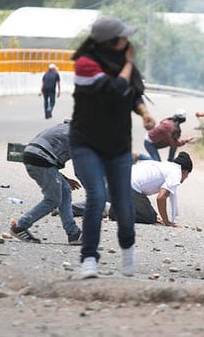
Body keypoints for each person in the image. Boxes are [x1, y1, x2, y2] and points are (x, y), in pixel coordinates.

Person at [69, 16, 155, 279]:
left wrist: (143, 113)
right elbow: (116, 89)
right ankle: (89, 259)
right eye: (122, 37)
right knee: (96, 196)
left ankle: (127, 249)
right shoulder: (86, 65)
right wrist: (129, 62)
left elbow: (131, 94)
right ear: (109, 42)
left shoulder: (122, 64)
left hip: (117, 145)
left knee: (123, 203)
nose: (127, 42)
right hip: (87, 142)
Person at [9, 121, 83, 246]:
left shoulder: (64, 126)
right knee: (52, 200)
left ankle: (73, 233)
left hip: (34, 156)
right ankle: (20, 226)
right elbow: (80, 170)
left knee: (64, 189)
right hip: (42, 161)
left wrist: (63, 178)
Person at [110, 152, 193, 226]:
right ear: (185, 171)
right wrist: (166, 221)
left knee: (151, 213)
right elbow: (161, 198)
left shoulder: (166, 165)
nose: (186, 177)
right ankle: (113, 210)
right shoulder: (176, 173)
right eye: (187, 175)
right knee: (149, 217)